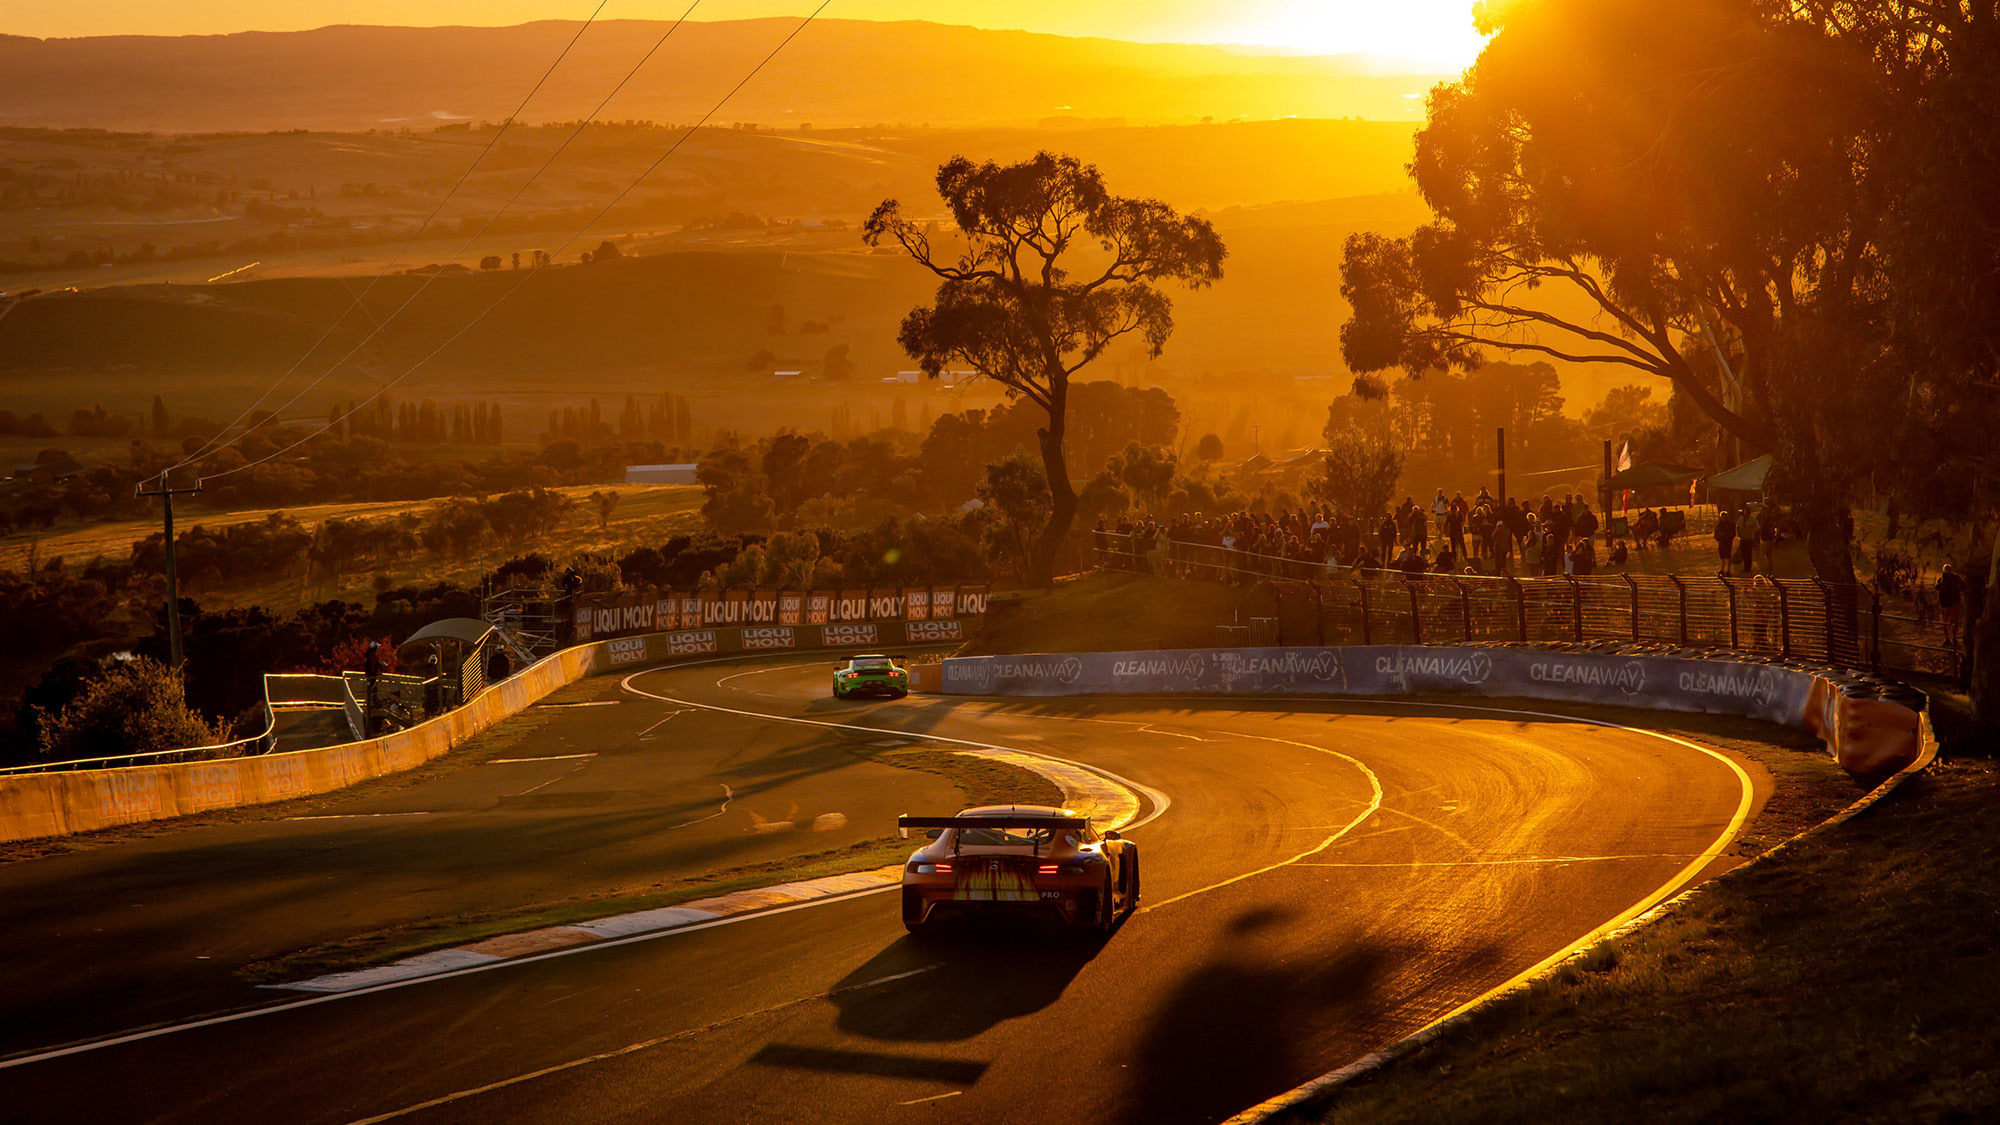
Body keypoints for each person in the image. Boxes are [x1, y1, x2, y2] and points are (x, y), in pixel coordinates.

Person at [1939, 564, 1965, 648]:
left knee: (1955, 622)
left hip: (1954, 603)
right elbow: (1938, 587)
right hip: (1945, 604)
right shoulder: (1942, 579)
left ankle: (1953, 638)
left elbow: (1962, 587)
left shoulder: (1956, 579)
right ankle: (1947, 638)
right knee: (1945, 623)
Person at [1714, 508, 1738, 575]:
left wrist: (1728, 537)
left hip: (1728, 542)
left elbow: (1733, 534)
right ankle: (1722, 569)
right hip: (1721, 542)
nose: (1723, 518)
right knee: (1722, 557)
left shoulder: (1730, 525)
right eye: (1722, 517)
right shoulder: (1719, 525)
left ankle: (1728, 570)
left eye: (1724, 516)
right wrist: (1719, 537)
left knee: (1728, 556)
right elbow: (1716, 534)